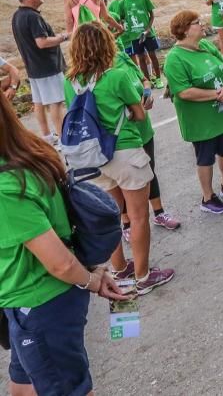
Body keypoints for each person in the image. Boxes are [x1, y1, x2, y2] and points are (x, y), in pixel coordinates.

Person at [0, 90, 130, 396]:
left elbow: (59, 262)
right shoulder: (29, 151)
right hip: (38, 301)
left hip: (39, 303)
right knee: (23, 387)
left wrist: (92, 281)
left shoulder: (6, 187)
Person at [63, 23, 174, 294]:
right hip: (124, 151)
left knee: (113, 216)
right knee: (138, 217)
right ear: (106, 46)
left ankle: (120, 268)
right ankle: (144, 276)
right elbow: (139, 114)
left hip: (92, 157)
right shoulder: (115, 77)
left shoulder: (70, 81)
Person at [164, 10, 223, 214]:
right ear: (185, 30)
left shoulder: (203, 45)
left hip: (221, 111)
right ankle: (207, 197)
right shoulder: (174, 59)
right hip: (200, 120)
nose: (202, 24)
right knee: (205, 157)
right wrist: (216, 94)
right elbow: (183, 91)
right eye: (197, 22)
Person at [113, 41, 180, 241]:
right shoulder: (98, 74)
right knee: (123, 181)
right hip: (122, 137)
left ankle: (159, 213)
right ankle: (126, 224)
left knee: (150, 171)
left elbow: (144, 79)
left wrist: (147, 92)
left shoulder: (122, 57)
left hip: (143, 129)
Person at [11, 0, 68, 149]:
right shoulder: (32, 17)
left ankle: (47, 137)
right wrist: (63, 37)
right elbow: (42, 42)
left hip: (34, 68)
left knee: (39, 102)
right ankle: (64, 140)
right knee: (56, 103)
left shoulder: (17, 16)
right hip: (47, 68)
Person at [110, 0, 164, 89]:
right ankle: (148, 81)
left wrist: (148, 29)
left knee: (152, 55)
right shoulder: (122, 3)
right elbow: (121, 18)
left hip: (147, 33)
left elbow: (152, 15)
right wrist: (122, 27)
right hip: (134, 35)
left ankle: (159, 78)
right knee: (140, 57)